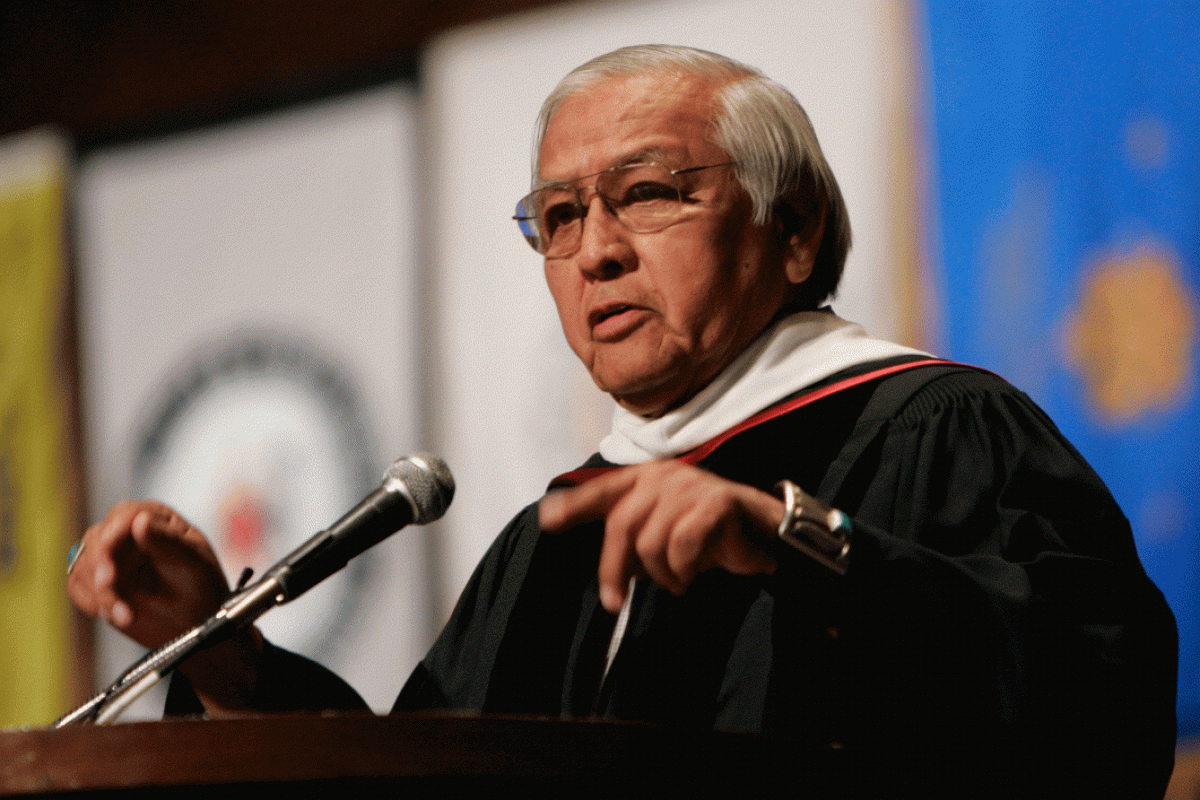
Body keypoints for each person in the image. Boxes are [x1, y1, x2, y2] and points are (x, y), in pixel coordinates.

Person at [67, 46, 1177, 795]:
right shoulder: (552, 540)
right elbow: (420, 771)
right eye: (558, 215)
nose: (595, 248)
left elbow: (1101, 712)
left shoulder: (940, 429)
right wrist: (227, 654)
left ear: (793, 231)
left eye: (647, 192)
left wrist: (798, 542)